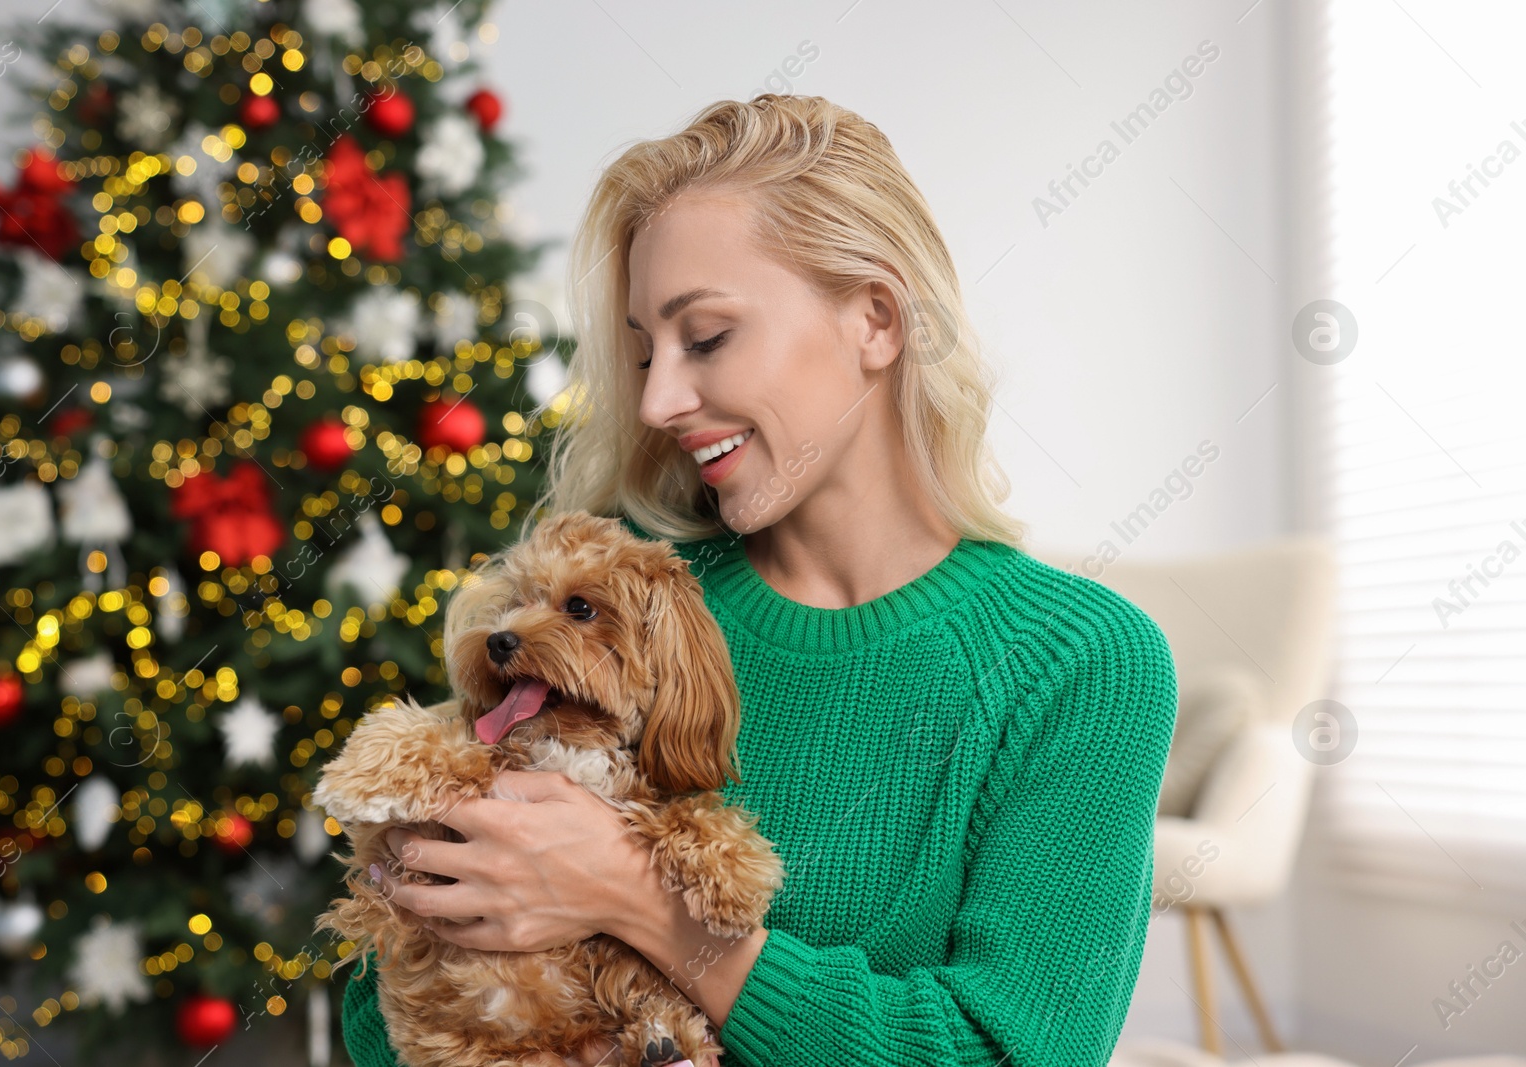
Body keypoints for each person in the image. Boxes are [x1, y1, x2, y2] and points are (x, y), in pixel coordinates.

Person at [337, 93, 1178, 1067]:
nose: (658, 398)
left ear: (874, 318)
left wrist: (642, 905)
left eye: (705, 336)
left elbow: (1008, 1051)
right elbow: (385, 1010)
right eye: (645, 349)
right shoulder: (622, 605)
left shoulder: (1079, 660)